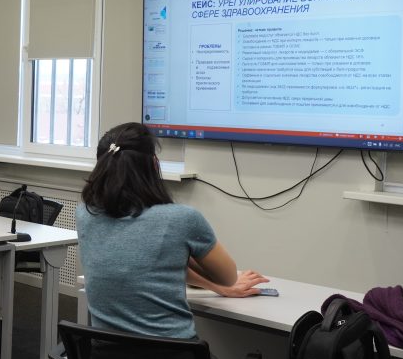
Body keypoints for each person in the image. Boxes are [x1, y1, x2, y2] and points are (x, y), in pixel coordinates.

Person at [77, 122, 268, 342]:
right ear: (154, 164)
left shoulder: (85, 215)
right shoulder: (182, 219)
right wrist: (219, 286)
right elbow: (228, 277)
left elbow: (148, 264)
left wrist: (212, 284)